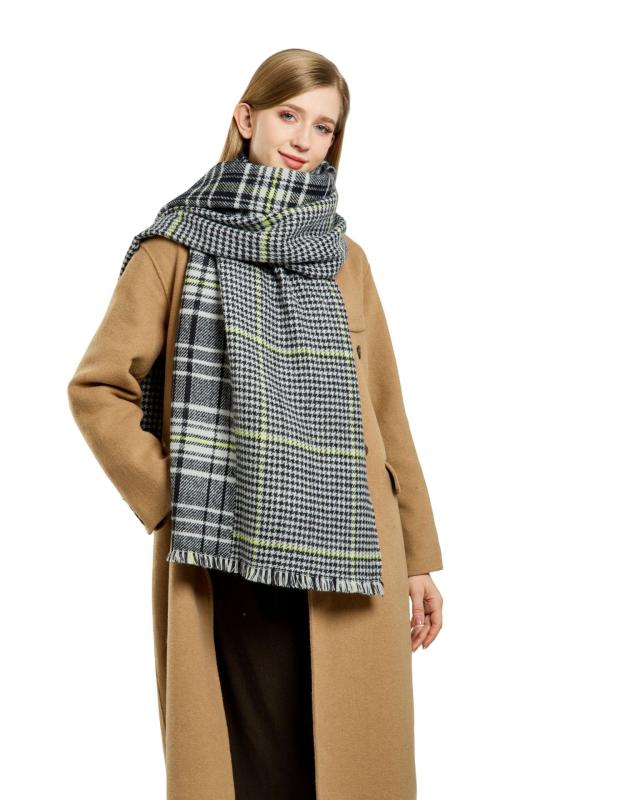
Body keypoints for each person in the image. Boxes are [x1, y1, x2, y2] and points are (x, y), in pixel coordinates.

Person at [68, 48, 444, 800]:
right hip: (223, 548)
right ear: (247, 118)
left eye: (324, 127)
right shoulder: (174, 248)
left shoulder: (346, 260)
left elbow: (385, 411)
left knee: (344, 766)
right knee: (248, 769)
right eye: (288, 115)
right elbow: (98, 388)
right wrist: (176, 497)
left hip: (349, 549)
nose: (304, 138)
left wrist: (418, 556)